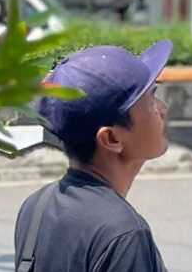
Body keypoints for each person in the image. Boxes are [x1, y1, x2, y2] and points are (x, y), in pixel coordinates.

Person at [15, 42, 173, 271]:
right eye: (151, 99)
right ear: (111, 139)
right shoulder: (123, 233)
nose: (163, 108)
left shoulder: (36, 206)